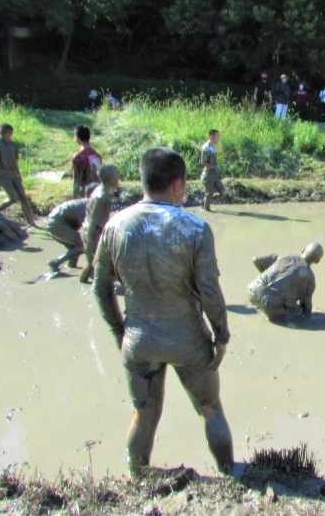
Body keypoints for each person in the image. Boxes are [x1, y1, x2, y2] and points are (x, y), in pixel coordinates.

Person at [92, 147, 233, 478]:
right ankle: (230, 477)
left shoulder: (115, 226)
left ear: (143, 182)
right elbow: (210, 292)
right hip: (188, 340)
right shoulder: (195, 229)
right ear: (178, 185)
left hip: (139, 340)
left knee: (143, 414)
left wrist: (119, 332)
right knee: (210, 408)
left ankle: (138, 477)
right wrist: (222, 335)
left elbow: (100, 289)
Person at [248, 243, 323, 322]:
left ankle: (259, 304)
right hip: (271, 305)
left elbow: (256, 260)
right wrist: (308, 319)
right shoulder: (310, 278)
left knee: (266, 297)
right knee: (296, 313)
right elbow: (306, 306)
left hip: (253, 290)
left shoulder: (283, 257)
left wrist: (267, 276)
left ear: (303, 249)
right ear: (317, 261)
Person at [0, 123, 37, 227]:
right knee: (14, 197)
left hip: (13, 172)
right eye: (9, 134)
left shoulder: (12, 144)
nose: (10, 136)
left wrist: (19, 174)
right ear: (2, 133)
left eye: (11, 134)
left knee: (23, 197)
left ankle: (31, 222)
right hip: (3, 173)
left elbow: (15, 161)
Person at [79, 164, 120, 283]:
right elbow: (92, 221)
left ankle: (83, 282)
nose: (119, 177)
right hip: (93, 233)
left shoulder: (100, 190)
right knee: (96, 263)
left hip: (94, 231)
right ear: (111, 178)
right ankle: (99, 288)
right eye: (117, 175)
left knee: (91, 263)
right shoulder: (102, 196)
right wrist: (90, 243)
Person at [47, 190, 94, 273]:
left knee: (74, 247)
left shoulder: (84, 203)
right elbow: (87, 227)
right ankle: (55, 262)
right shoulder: (85, 206)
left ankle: (72, 266)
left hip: (53, 223)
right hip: (57, 224)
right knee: (83, 246)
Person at [200, 129, 227, 212]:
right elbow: (203, 163)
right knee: (209, 195)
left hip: (214, 175)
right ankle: (207, 211)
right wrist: (214, 167)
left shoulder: (213, 147)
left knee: (223, 193)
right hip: (208, 176)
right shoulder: (206, 148)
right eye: (217, 136)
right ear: (211, 137)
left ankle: (204, 201)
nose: (218, 138)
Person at [72, 125, 102, 198]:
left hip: (84, 195)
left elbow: (77, 182)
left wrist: (74, 198)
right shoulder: (97, 155)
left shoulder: (78, 157)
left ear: (77, 138)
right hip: (97, 193)